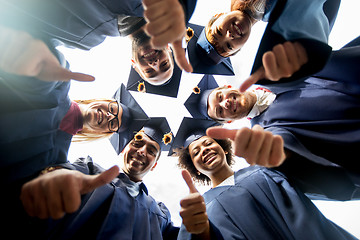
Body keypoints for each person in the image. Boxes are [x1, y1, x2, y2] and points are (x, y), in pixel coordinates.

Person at [186, 36, 360, 200]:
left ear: (226, 87)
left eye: (220, 97)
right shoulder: (267, 134)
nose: (225, 104)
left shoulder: (275, 73)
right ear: (228, 122)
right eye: (220, 112)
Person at [171, 117, 357, 240]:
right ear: (195, 169)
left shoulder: (266, 169)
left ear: (224, 149)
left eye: (208, 143)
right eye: (196, 152)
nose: (205, 150)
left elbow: (321, 179)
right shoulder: (200, 211)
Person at [19, 117, 178, 239]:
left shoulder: (160, 215)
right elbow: (58, 174)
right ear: (123, 149)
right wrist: (54, 173)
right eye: (137, 143)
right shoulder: (88, 169)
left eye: (151, 151)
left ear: (155, 165)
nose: (142, 151)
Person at [0, 0, 197, 84]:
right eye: (164, 64)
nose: (154, 64)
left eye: (149, 71)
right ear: (169, 49)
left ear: (134, 65)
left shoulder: (81, 39)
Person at [197, 0, 341, 91]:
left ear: (218, 15)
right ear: (241, 48)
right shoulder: (287, 20)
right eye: (229, 46)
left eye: (218, 32)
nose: (229, 35)